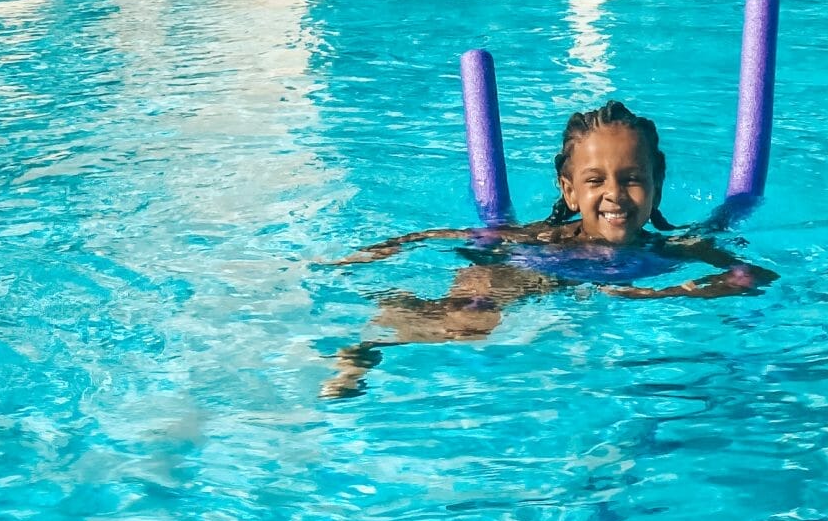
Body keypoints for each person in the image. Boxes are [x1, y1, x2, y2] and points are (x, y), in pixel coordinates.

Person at [323, 101, 773, 399]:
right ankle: (369, 344)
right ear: (570, 191)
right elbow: (466, 236)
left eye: (632, 179)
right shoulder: (548, 239)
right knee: (469, 323)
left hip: (582, 285)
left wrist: (664, 294)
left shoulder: (675, 249)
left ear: (657, 185)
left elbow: (750, 277)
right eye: (595, 180)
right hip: (530, 271)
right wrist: (397, 245)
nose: (615, 194)